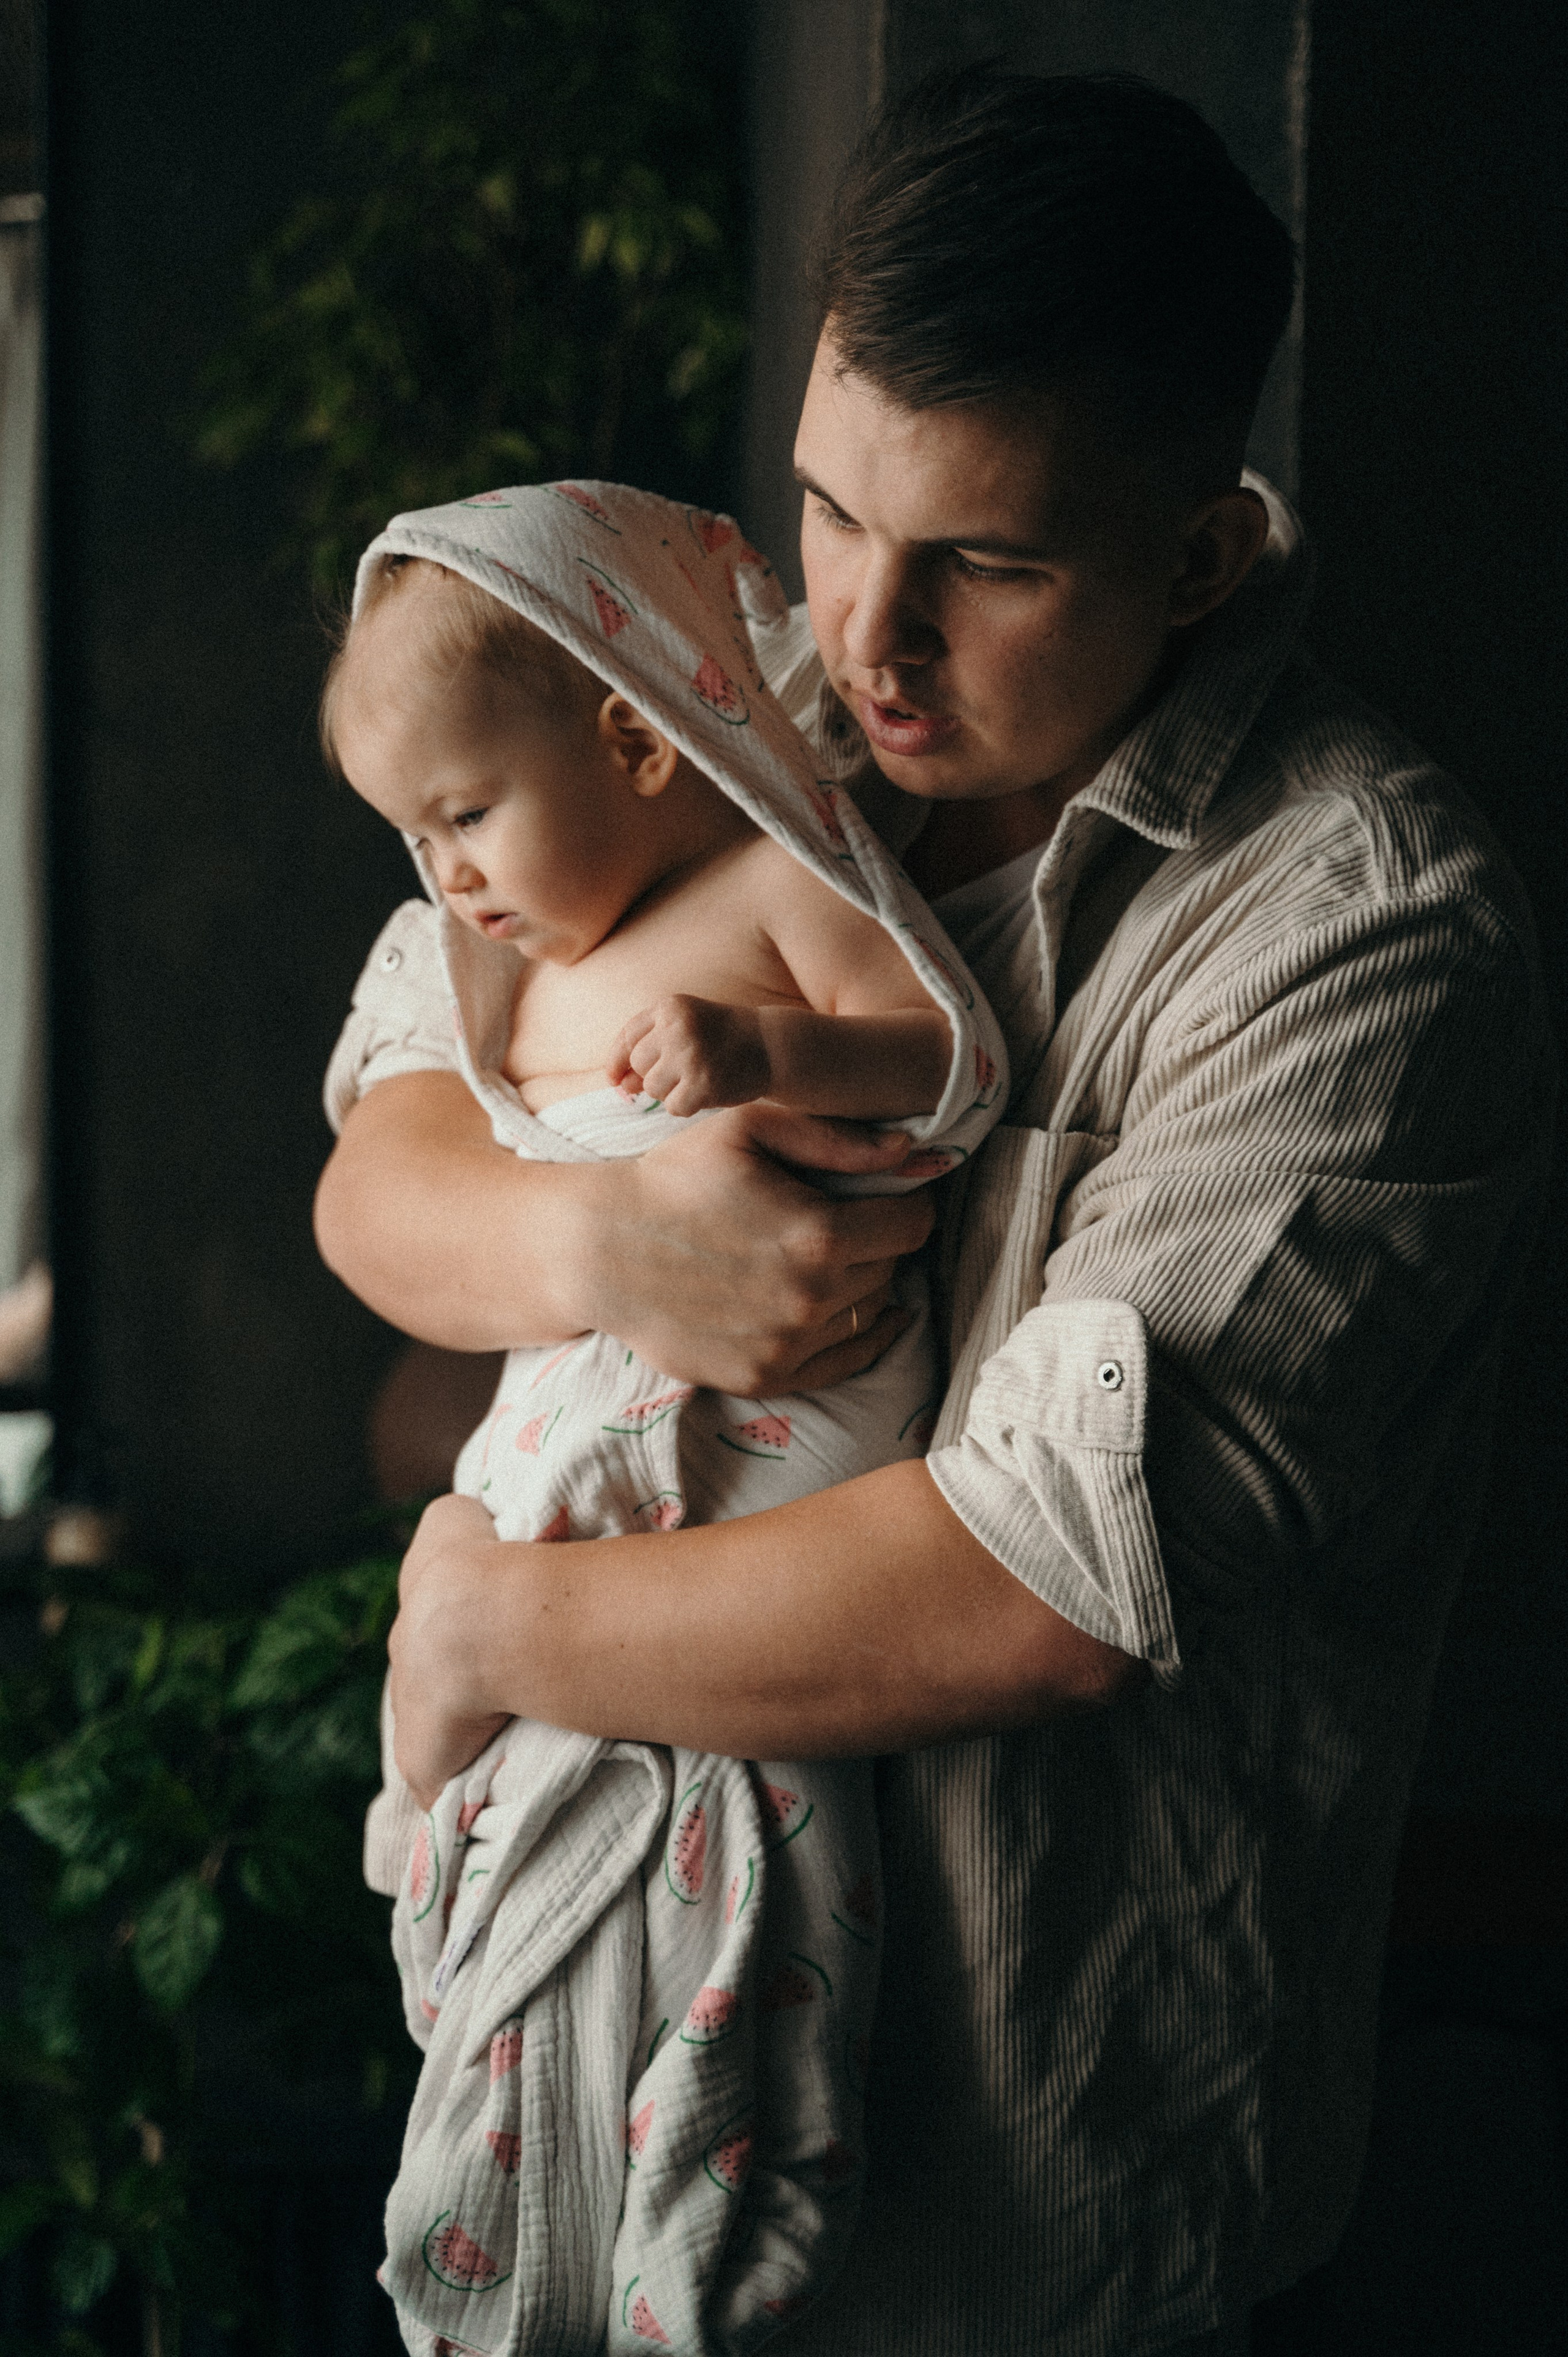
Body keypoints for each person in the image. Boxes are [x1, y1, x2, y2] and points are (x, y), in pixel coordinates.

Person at [314, 66, 1553, 2357]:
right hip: (589, 2109)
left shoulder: (1363, 929)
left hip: (1031, 2246)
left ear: (1195, 551)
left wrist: (490, 1638)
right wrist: (600, 1251)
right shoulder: (706, 693)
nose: (861, 643)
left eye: (982, 564)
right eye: (824, 513)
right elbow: (392, 1181)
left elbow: (1034, 1593)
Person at [323, 479, 1007, 2354]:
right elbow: (377, 1183)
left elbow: (952, 1054)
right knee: (492, 1604)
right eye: (411, 833)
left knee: (729, 1822)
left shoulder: (785, 875)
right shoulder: (495, 964)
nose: (446, 873)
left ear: (634, 736)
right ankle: (446, 1809)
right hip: (584, 1412)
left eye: (467, 814)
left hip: (783, 1429)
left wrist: (770, 1050)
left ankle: (705, 2209)